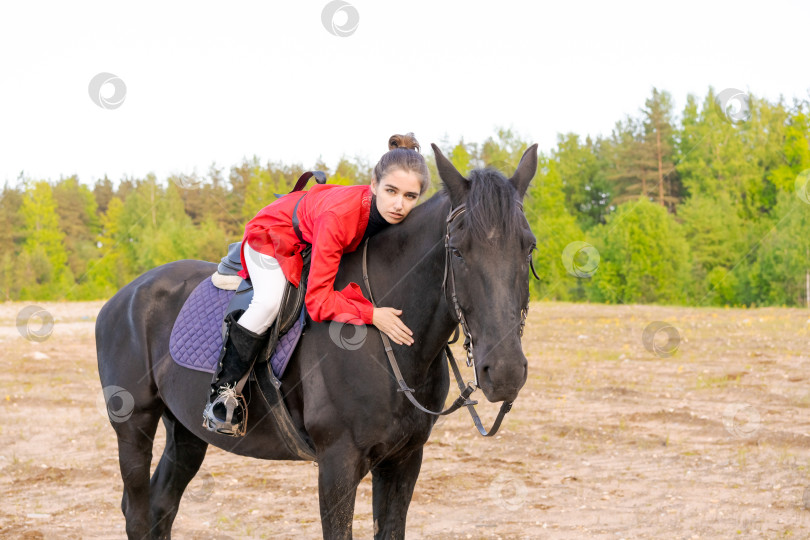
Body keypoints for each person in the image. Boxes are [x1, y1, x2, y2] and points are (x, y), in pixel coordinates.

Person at [203, 133, 430, 436]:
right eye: (391, 191)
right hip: (273, 234)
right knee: (269, 300)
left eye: (409, 196)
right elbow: (318, 302)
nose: (399, 205)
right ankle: (225, 393)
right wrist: (373, 315)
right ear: (374, 185)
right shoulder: (340, 218)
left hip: (310, 229)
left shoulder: (392, 213)